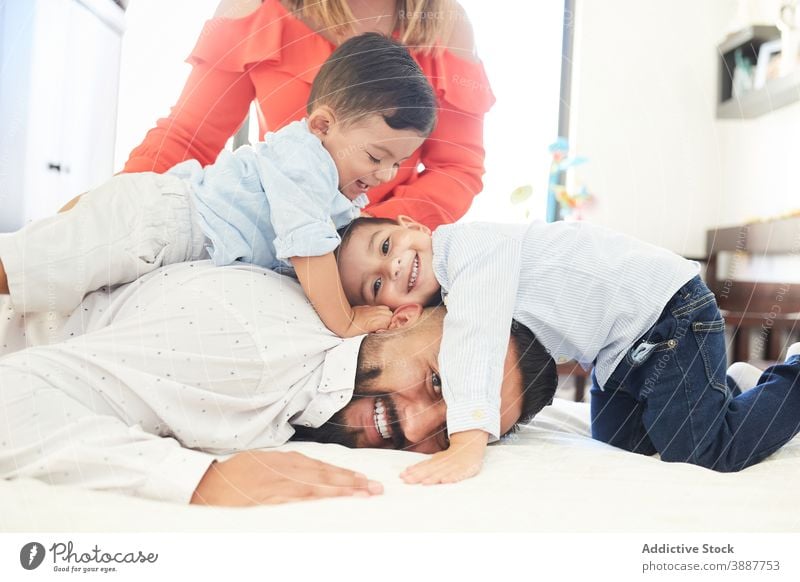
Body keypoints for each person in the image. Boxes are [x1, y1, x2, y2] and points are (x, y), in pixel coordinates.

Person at [0, 260, 558, 507]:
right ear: (402, 318)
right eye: (439, 385)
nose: (413, 429)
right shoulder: (251, 351)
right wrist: (204, 479)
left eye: (453, 430)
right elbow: (13, 396)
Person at [0, 33, 435, 340]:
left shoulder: (338, 197)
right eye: (376, 157)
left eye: (397, 164)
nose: (383, 176)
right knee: (37, 265)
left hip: (172, 234)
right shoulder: (307, 160)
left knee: (52, 294)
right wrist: (345, 321)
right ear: (323, 125)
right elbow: (307, 247)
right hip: (163, 221)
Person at [333, 215, 800, 482]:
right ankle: (728, 387)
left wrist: (468, 440)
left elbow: (478, 337)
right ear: (397, 314)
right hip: (620, 351)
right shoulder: (450, 296)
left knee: (700, 449)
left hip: (666, 312)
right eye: (376, 284)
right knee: (622, 445)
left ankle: (793, 374)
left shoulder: (472, 247)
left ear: (413, 224)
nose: (392, 266)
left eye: (387, 243)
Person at [122, 0, 495, 229]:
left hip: (382, 250)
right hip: (273, 230)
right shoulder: (256, 7)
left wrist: (364, 232)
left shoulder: (445, 22)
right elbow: (188, 138)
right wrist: (116, 201)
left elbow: (456, 170)